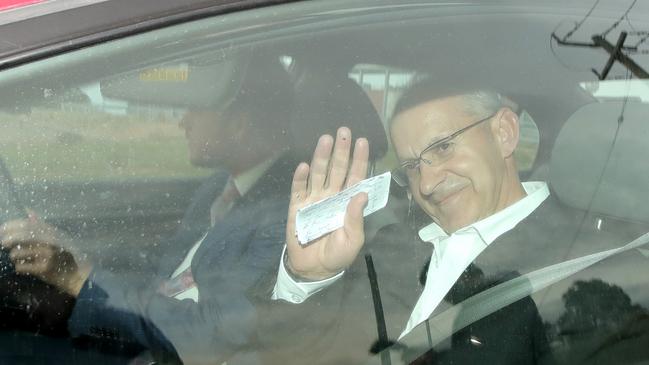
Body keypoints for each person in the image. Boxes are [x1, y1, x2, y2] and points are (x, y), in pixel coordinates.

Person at [0, 54, 298, 364]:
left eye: (195, 108)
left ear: (239, 125)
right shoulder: (220, 186)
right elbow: (162, 272)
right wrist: (72, 255)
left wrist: (78, 277)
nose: (183, 121)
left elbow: (212, 334)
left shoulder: (285, 217)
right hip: (145, 337)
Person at [262, 78, 563, 364]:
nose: (427, 184)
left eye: (443, 147)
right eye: (412, 166)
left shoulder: (575, 258)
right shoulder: (385, 249)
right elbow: (295, 355)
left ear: (505, 132)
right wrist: (308, 278)